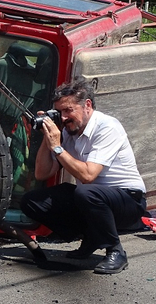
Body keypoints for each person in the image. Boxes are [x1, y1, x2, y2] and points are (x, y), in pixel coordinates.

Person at [20, 77, 146, 274]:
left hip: (128, 200)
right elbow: (42, 173)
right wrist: (48, 137)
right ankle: (92, 236)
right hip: (93, 198)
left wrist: (58, 147)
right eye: (59, 112)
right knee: (32, 201)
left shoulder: (107, 127)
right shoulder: (69, 131)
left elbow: (88, 175)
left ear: (87, 105)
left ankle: (116, 251)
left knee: (85, 192)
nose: (63, 118)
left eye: (68, 110)